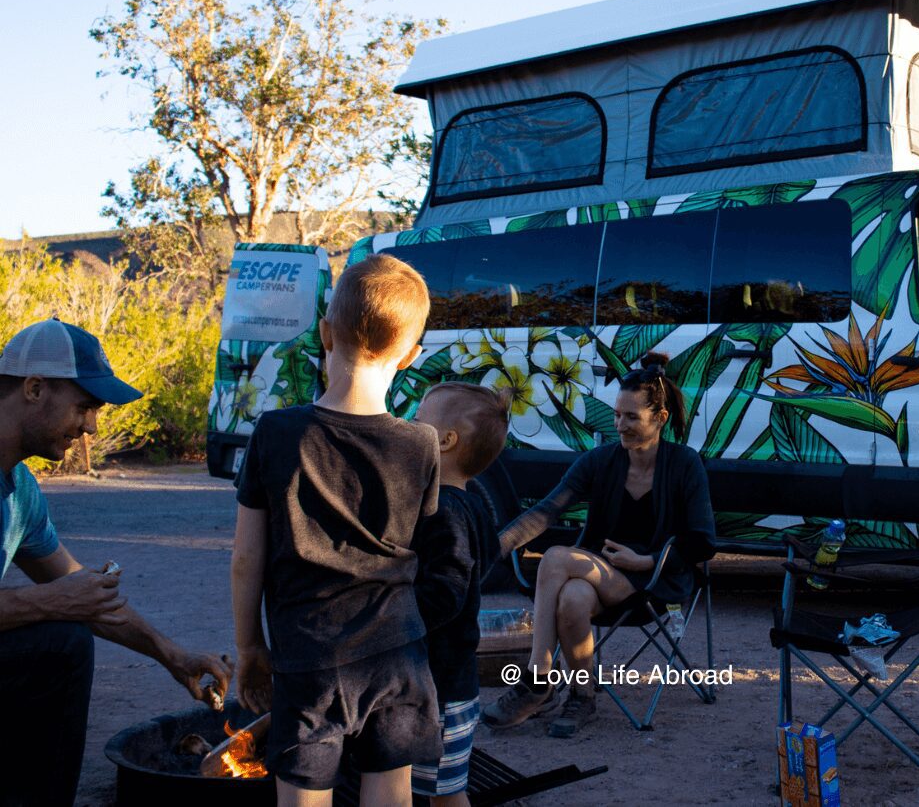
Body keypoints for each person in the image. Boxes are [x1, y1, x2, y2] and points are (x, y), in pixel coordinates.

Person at [231, 254, 442, 807]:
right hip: (398, 653)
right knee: (390, 796)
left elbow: (245, 559)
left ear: (326, 333)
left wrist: (250, 645)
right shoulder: (422, 443)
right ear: (411, 354)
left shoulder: (276, 433)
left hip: (308, 658)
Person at [0, 318, 233, 807]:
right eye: (84, 407)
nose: (91, 428)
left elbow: (82, 593)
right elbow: (61, 599)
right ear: (35, 388)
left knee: (63, 635)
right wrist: (49, 602)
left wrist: (172, 655)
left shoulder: (20, 489)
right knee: (60, 640)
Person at [482, 352, 716, 738]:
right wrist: (491, 547)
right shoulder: (600, 461)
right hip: (597, 575)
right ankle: (582, 696)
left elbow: (702, 543)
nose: (619, 425)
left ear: (660, 419)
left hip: (653, 584)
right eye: (617, 414)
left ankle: (538, 678)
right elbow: (545, 512)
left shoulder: (685, 465)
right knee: (572, 598)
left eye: (631, 417)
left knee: (556, 557)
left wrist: (647, 561)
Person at [410, 382, 509, 806]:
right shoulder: (470, 506)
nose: (409, 428)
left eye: (417, 422)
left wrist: (392, 618)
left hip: (440, 688)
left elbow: (446, 592)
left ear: (446, 441)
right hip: (447, 684)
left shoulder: (445, 512)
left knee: (446, 797)